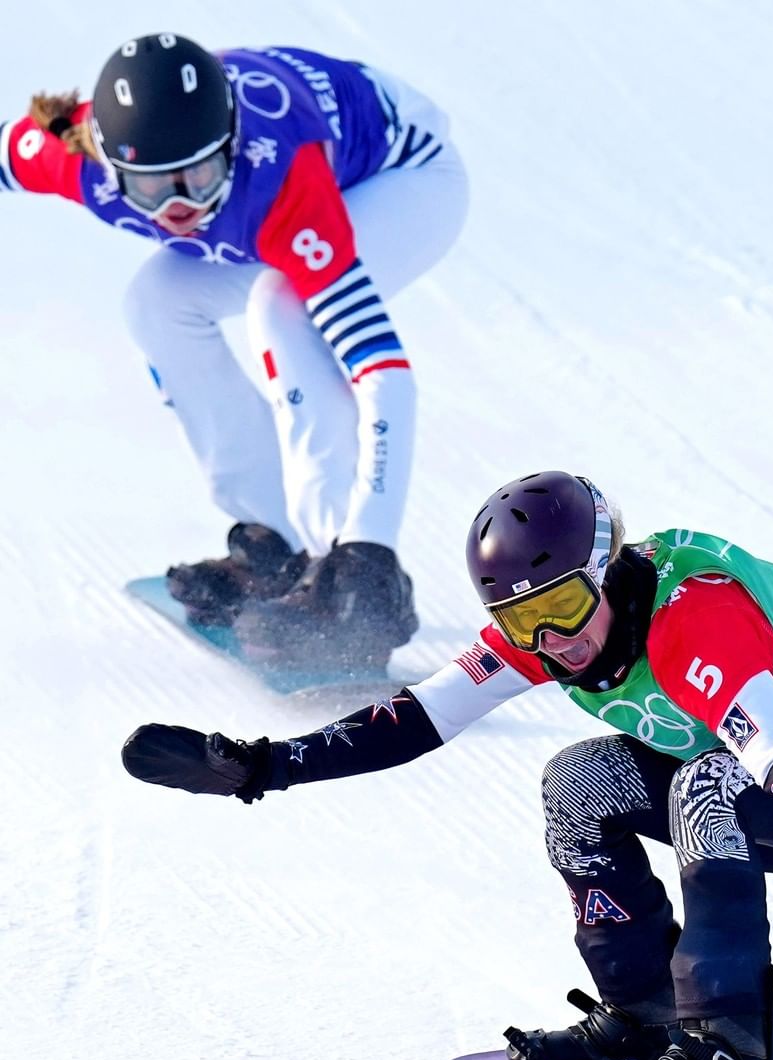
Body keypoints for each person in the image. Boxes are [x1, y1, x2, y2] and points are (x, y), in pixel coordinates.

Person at [121, 471, 773, 1060]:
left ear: (609, 573)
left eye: (562, 608)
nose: (551, 641)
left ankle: (729, 1051)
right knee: (579, 782)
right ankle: (646, 1021)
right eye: (520, 619)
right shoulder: (552, 628)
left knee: (706, 781)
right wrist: (267, 766)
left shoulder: (697, 625)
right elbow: (417, 719)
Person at [0, 33, 469, 669]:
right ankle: (275, 546)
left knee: (281, 308)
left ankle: (338, 576)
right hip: (270, 196)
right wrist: (202, 185)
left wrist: (371, 546)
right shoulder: (72, 154)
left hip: (406, 179)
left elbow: (382, 371)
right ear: (108, 168)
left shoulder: (280, 176)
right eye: (151, 188)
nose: (178, 209)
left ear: (232, 146)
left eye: (197, 177)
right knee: (156, 303)